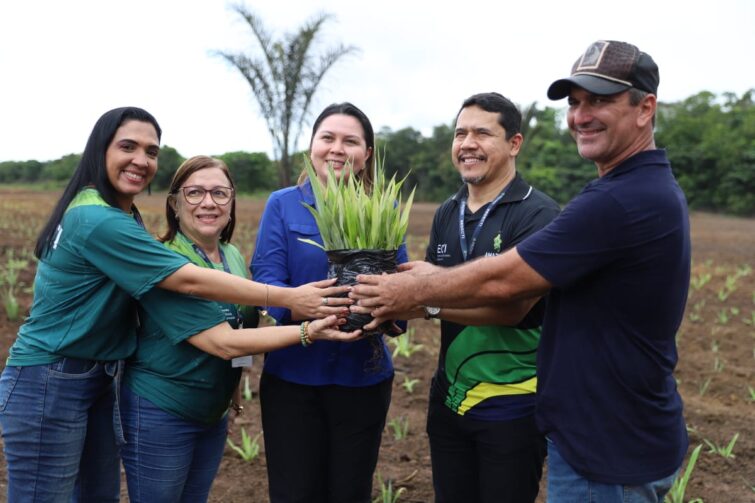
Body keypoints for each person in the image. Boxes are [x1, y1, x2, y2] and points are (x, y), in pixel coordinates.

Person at [354, 40, 690, 502]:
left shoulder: (618, 200)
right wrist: (417, 290)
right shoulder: (630, 190)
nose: (581, 115)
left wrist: (415, 295)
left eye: (601, 100)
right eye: (575, 102)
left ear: (644, 108)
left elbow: (504, 284)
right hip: (592, 430)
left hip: (605, 444)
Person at [0, 107, 350, 503]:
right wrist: (291, 301)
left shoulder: (138, 221)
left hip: (97, 378)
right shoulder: (99, 219)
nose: (141, 160)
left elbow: (238, 326)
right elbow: (190, 284)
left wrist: (234, 381)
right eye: (127, 147)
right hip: (53, 376)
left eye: (151, 151)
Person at [119, 155, 360, 502]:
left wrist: (231, 391)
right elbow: (223, 343)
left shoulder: (229, 255)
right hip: (161, 413)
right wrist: (309, 330)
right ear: (174, 203)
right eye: (194, 193)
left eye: (219, 193)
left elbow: (241, 321)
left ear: (232, 201)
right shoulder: (166, 260)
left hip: (211, 415)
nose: (208, 203)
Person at [357, 92, 559, 502]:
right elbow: (429, 284)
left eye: (482, 133)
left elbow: (513, 308)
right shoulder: (447, 211)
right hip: (450, 398)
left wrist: (422, 305)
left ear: (514, 144)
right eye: (460, 133)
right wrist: (391, 310)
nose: (467, 143)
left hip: (513, 402)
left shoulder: (538, 214)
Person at [251, 102, 409, 503]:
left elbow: (403, 283)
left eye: (350, 141)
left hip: (364, 377)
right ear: (312, 146)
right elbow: (266, 276)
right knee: (294, 492)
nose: (337, 149)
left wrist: (387, 315)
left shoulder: (386, 209)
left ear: (367, 154)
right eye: (328, 138)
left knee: (350, 492)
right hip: (293, 377)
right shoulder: (283, 203)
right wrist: (301, 307)